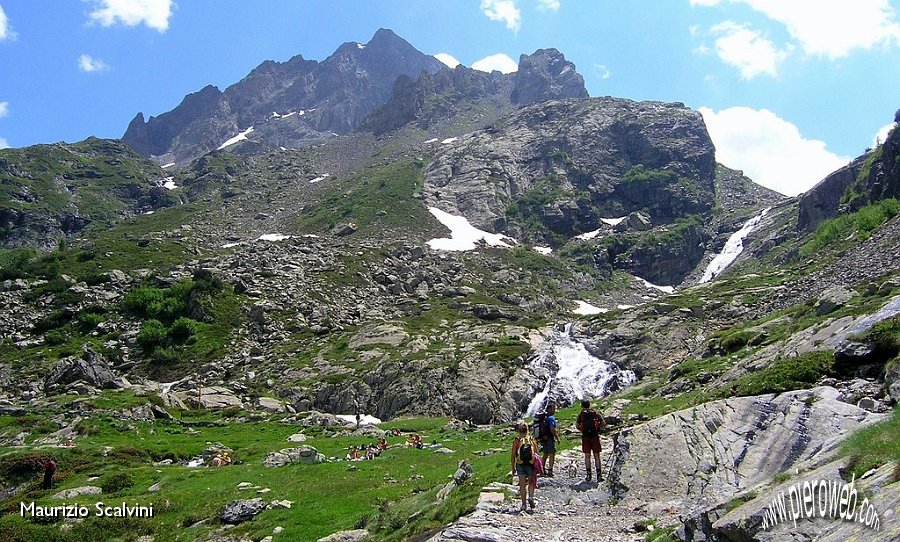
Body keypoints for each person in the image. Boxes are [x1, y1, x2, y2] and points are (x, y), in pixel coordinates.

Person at [510, 422, 538, 513]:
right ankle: (530, 496)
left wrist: (513, 467)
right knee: (531, 482)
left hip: (520, 463)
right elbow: (536, 453)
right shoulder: (531, 439)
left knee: (522, 485)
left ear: (519, 431)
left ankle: (523, 504)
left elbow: (513, 455)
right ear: (528, 430)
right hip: (530, 463)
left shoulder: (517, 441)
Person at [576, 399, 606, 482]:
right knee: (597, 456)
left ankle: (589, 475)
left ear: (582, 406)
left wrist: (583, 430)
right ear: (589, 405)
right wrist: (598, 428)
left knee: (587, 456)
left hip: (585, 437)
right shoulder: (595, 413)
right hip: (595, 436)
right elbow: (604, 423)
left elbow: (577, 426)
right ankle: (599, 476)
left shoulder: (581, 414)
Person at [539, 403, 561, 477]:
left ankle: (542, 470)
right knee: (552, 454)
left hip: (543, 438)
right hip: (549, 438)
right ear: (549, 409)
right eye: (553, 409)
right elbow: (552, 429)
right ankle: (550, 470)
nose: (554, 410)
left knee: (545, 454)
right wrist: (557, 438)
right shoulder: (551, 418)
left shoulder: (544, 417)